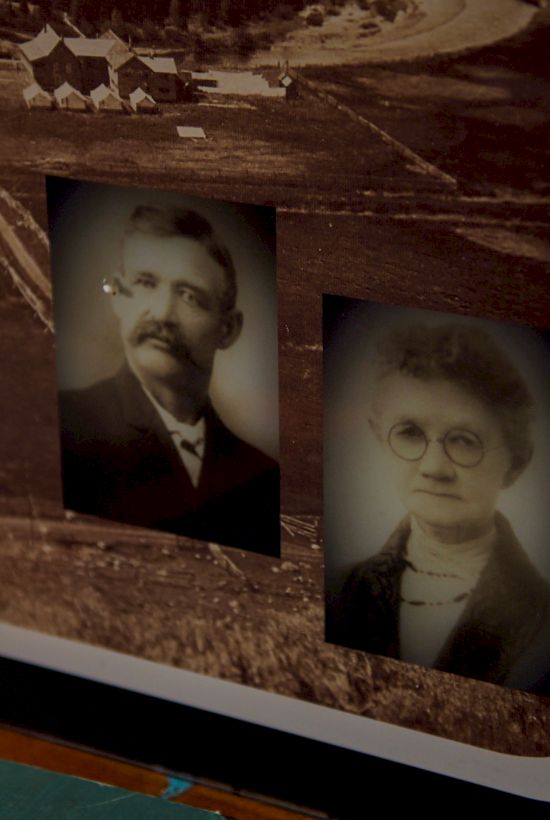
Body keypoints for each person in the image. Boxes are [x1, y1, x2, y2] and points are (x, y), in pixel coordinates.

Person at [326, 321, 550, 689]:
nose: (433, 468)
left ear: (516, 461)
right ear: (380, 437)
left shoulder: (542, 620)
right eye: (410, 433)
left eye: (464, 440)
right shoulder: (335, 593)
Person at [58, 205, 279, 556]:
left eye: (190, 297)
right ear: (117, 293)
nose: (162, 314)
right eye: (145, 283)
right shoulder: (64, 427)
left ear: (228, 329)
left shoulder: (264, 478)